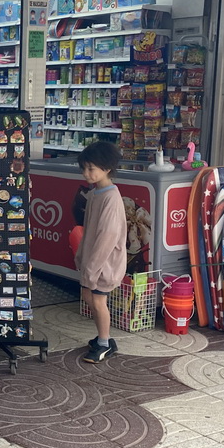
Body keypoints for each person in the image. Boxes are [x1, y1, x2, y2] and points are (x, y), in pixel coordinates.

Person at [73, 141, 127, 364]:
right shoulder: (96, 193)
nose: (86, 173)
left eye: (91, 168)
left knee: (97, 301)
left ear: (106, 168)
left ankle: (104, 344)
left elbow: (107, 237)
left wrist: (91, 267)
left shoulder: (110, 198)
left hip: (105, 263)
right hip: (93, 260)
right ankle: (103, 337)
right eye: (84, 168)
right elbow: (89, 229)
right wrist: (81, 256)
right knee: (90, 297)